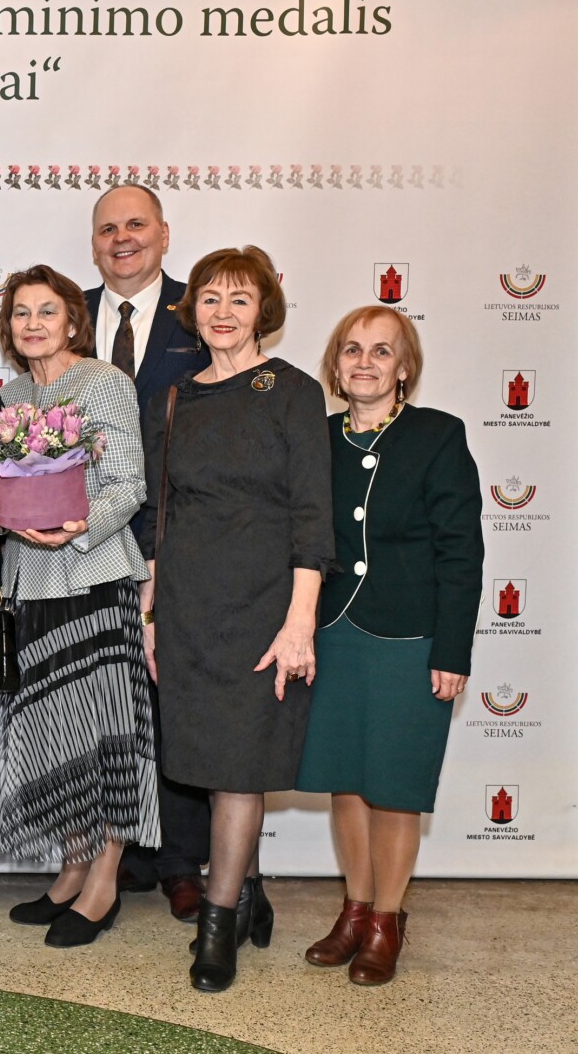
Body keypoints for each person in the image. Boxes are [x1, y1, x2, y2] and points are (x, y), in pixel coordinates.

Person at [138, 246, 334, 993]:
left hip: (263, 607)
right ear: (192, 311)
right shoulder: (175, 398)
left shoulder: (292, 391)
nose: (223, 312)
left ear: (263, 312)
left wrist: (299, 621)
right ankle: (247, 893)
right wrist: (152, 614)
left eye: (239, 299)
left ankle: (216, 925)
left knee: (237, 768)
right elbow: (160, 515)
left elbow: (313, 515)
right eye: (210, 298)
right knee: (213, 765)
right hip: (189, 608)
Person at [296, 305, 483, 985]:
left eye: (381, 351)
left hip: (411, 636)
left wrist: (452, 651)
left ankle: (385, 922)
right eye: (352, 350)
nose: (365, 362)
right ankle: (354, 910)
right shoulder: (316, 438)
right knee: (346, 778)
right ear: (335, 364)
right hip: (332, 634)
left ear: (404, 368)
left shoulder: (437, 435)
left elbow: (461, 552)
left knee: (394, 786)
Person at [0, 265, 160, 948]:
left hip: (92, 579)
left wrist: (78, 527)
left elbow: (129, 484)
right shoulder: (12, 394)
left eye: (46, 311)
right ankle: (72, 866)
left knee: (104, 734)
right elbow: (7, 488)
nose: (32, 324)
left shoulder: (106, 382)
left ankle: (104, 881)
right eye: (20, 313)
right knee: (57, 733)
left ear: (73, 321)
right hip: (30, 583)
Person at [85, 184, 212, 921]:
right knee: (103, 701)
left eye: (136, 225)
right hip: (82, 543)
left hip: (178, 537)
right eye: (108, 228)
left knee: (172, 700)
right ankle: (114, 854)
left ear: (164, 233)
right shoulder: (64, 314)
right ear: (93, 243)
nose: (122, 238)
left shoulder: (201, 312)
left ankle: (180, 859)